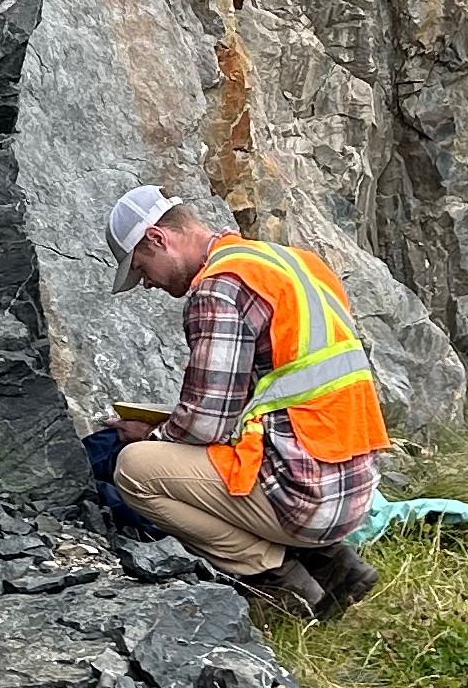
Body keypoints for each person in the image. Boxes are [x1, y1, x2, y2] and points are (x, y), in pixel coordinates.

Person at [100, 186, 392, 615]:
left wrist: (148, 433)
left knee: (135, 469)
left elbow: (205, 424)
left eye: (142, 268)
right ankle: (333, 565)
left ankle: (279, 581)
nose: (146, 283)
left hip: (307, 497)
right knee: (204, 454)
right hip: (355, 485)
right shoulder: (291, 262)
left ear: (158, 239)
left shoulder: (219, 288)